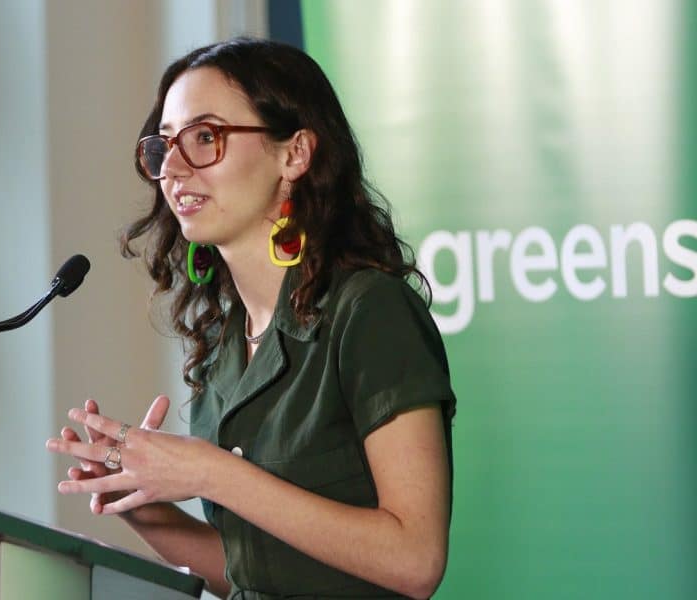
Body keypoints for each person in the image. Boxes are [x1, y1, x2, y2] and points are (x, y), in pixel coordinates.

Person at [46, 37, 456, 599]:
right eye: (165, 146)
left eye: (206, 137)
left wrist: (210, 473)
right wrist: (139, 502)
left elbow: (415, 559)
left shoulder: (369, 311)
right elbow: (251, 572)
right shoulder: (223, 342)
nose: (174, 169)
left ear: (295, 154)